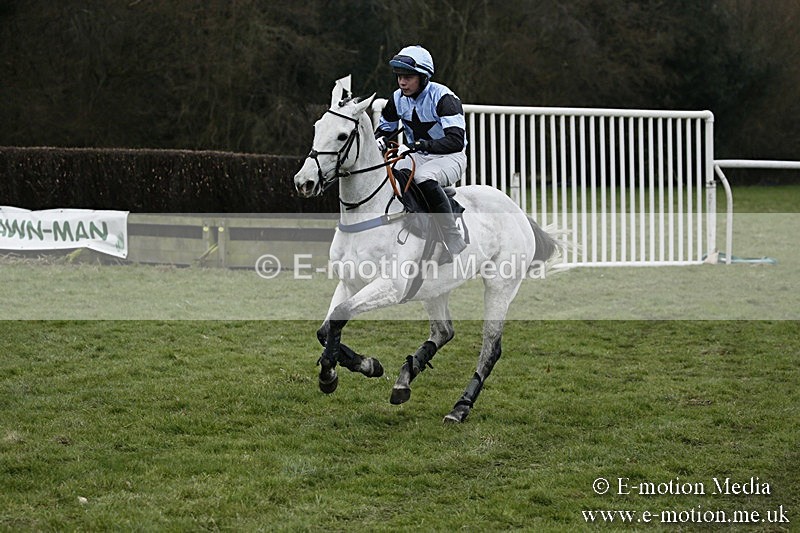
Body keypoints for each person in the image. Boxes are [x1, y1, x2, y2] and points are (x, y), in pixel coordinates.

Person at [375, 45, 468, 263]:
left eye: (408, 77)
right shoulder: (397, 98)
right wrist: (379, 139)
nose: (402, 82)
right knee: (389, 175)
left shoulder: (445, 99)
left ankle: (451, 237)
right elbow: (385, 130)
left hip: (450, 157)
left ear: (423, 77)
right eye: (399, 77)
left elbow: (455, 141)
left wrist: (418, 145)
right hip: (418, 154)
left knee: (423, 177)